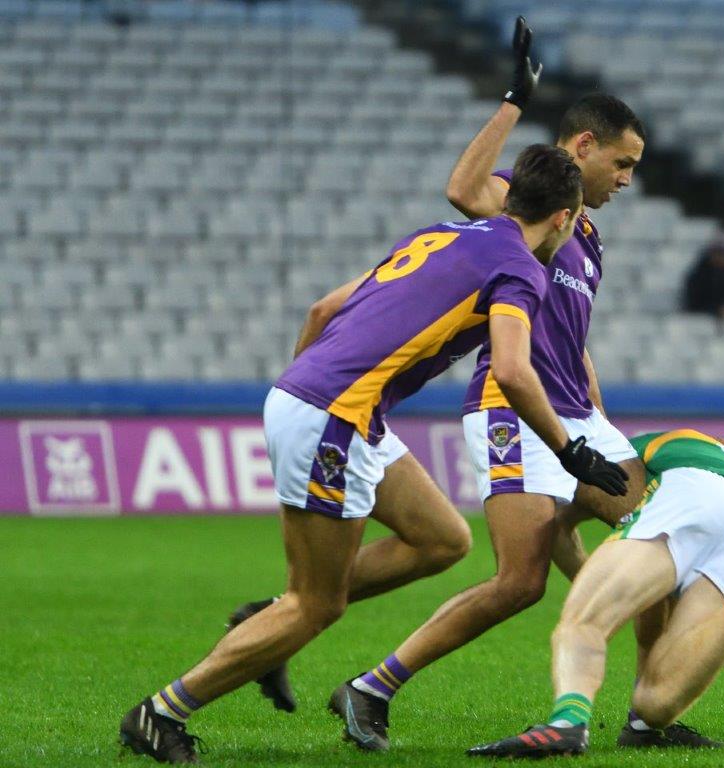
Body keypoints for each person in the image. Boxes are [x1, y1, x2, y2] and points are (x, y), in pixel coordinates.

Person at [116, 144, 629, 765]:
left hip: (329, 405)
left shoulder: (444, 234)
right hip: (334, 417)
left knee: (442, 538)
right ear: (561, 219)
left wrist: (301, 391)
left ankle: (267, 622)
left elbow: (323, 309)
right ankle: (162, 712)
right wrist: (570, 450)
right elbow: (516, 373)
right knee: (318, 604)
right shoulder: (521, 267)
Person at [335, 17, 677, 753]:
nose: (626, 180)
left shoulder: (583, 234)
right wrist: (516, 99)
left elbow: (574, 342)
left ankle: (650, 715)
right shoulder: (530, 215)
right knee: (520, 584)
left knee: (660, 542)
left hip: (578, 416)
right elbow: (463, 188)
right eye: (622, 163)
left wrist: (598, 417)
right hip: (513, 409)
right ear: (582, 147)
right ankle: (369, 682)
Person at [466, 429, 724, 758]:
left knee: (584, 623)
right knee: (654, 703)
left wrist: (610, 600)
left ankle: (567, 723)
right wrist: (705, 654)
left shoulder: (654, 444)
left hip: (693, 492)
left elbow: (560, 521)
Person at [680, 232, 724, 318]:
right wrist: (717, 310)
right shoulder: (698, 275)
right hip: (704, 320)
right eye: (719, 252)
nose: (723, 256)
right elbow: (693, 304)